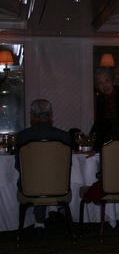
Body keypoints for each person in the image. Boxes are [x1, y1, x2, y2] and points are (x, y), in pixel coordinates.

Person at [15, 99, 73, 235]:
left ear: (31, 115)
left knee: (35, 179)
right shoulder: (64, 136)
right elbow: (68, 166)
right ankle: (52, 209)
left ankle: (39, 222)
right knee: (51, 178)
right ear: (51, 115)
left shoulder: (22, 137)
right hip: (58, 188)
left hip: (30, 188)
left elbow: (18, 166)